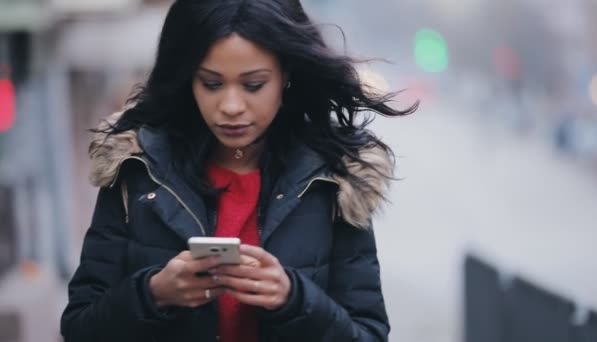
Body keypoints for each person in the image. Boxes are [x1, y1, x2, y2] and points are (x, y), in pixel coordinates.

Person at [60, 0, 416, 341]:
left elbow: (368, 335)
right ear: (188, 79)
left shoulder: (334, 181)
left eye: (253, 85)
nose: (231, 106)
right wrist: (154, 293)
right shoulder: (138, 167)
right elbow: (79, 328)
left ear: (285, 76)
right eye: (211, 84)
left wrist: (294, 299)